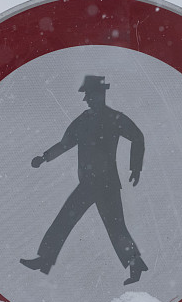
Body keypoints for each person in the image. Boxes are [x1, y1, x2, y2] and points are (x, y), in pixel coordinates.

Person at [20, 75, 149, 285]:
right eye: (87, 96)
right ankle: (44, 259)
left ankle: (134, 264)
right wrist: (44, 157)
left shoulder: (115, 118)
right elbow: (65, 144)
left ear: (100, 95)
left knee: (114, 227)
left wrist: (135, 166)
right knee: (68, 220)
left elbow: (137, 136)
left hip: (106, 184)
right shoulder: (84, 120)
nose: (87, 99)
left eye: (90, 95)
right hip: (90, 183)